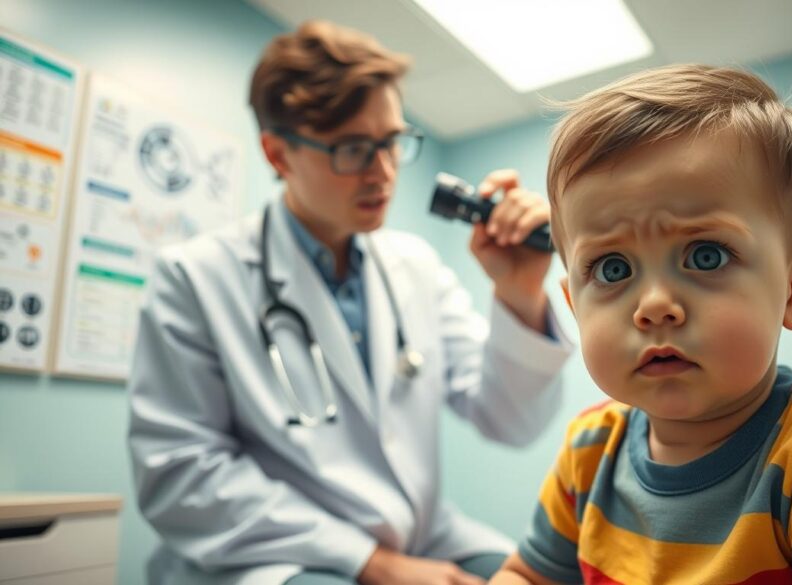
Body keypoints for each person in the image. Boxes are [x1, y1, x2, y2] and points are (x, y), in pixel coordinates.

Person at [128, 20, 573, 585]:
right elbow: (182, 476)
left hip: (425, 537)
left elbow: (511, 423)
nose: (384, 172)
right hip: (276, 554)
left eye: (391, 142)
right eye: (353, 150)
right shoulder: (195, 279)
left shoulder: (414, 267)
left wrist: (518, 292)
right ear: (278, 153)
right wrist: (374, 565)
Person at [490, 64, 792, 585]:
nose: (653, 306)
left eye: (705, 255)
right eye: (613, 269)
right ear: (576, 307)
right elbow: (529, 575)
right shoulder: (589, 451)